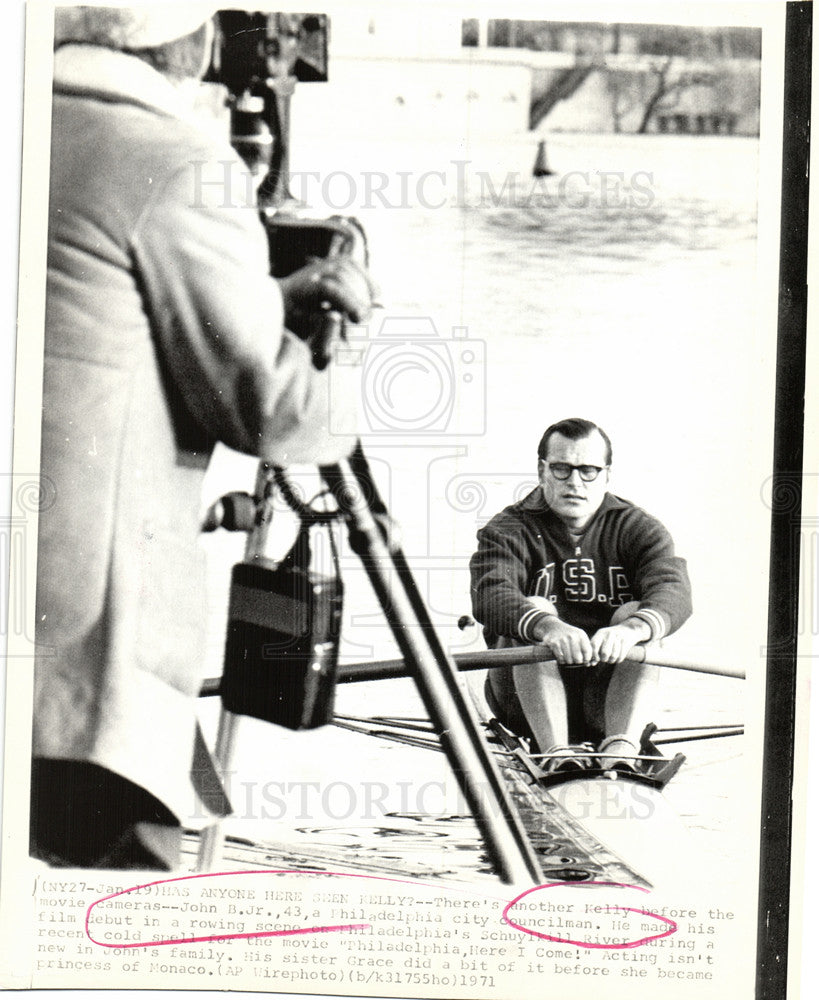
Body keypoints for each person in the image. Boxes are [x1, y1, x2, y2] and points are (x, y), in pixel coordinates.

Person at [31, 6, 375, 869]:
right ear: (190, 42)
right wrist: (341, 339)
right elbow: (274, 410)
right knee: (114, 920)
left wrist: (267, 299)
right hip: (76, 678)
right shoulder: (176, 162)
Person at [469, 418, 692, 772]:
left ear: (607, 475)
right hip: (520, 699)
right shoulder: (508, 528)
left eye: (588, 470)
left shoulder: (638, 529)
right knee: (534, 606)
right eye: (561, 469)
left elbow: (673, 590)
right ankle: (556, 754)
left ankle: (621, 748)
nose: (575, 482)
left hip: (604, 698)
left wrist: (631, 630)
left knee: (636, 614)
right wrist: (548, 627)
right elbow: (491, 594)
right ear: (542, 471)